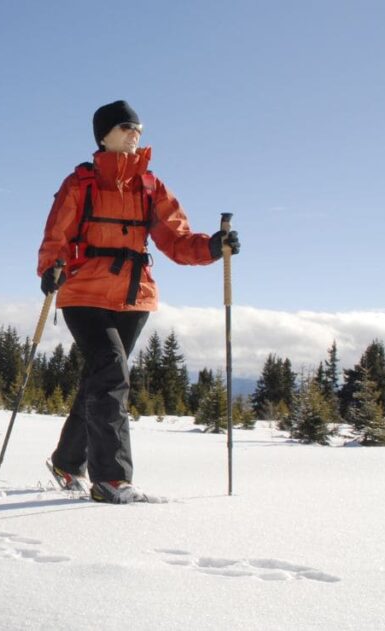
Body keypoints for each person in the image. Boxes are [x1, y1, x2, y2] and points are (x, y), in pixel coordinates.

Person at [38, 100, 240, 503]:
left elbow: (178, 240)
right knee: (111, 372)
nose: (136, 134)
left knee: (101, 378)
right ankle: (112, 479)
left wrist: (214, 247)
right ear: (104, 135)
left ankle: (66, 460)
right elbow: (56, 234)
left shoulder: (150, 186)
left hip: (134, 298)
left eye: (139, 129)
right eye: (127, 127)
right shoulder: (80, 184)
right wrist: (50, 268)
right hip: (83, 294)